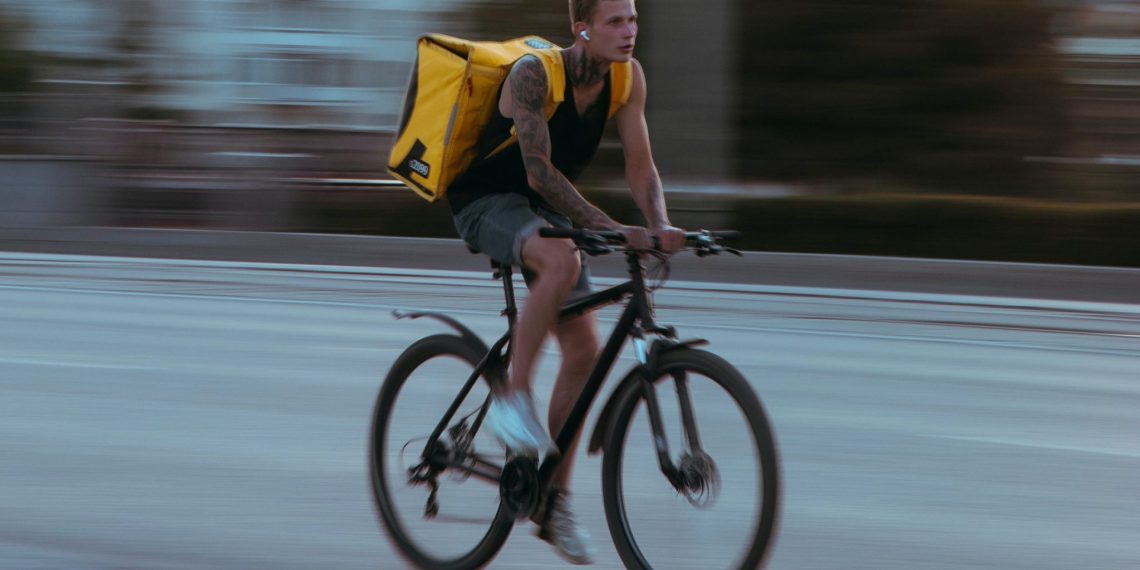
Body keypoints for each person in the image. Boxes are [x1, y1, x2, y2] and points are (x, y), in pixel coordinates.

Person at [447, 0, 685, 564]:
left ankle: (552, 502)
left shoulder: (627, 79)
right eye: (615, 21)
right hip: (485, 200)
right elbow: (538, 173)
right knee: (562, 261)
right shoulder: (535, 75)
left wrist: (660, 224)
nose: (629, 31)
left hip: (541, 212)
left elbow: (640, 164)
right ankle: (511, 401)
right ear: (582, 28)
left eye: (632, 19)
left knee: (584, 349)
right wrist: (609, 227)